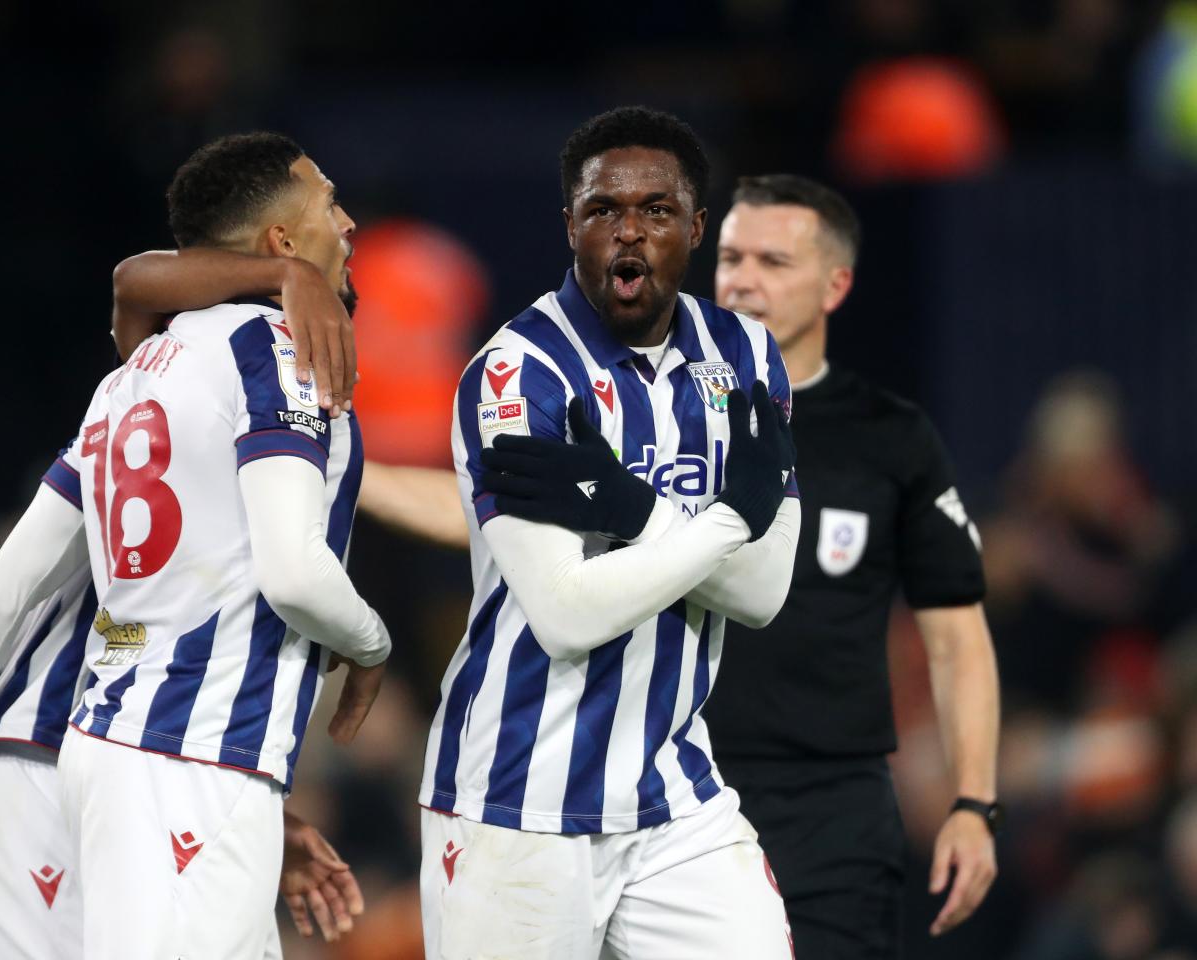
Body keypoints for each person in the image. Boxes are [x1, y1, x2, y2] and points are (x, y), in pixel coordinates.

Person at [417, 106, 801, 959]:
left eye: (656, 211)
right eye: (603, 211)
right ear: (571, 226)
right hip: (517, 800)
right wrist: (726, 521)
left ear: (696, 228)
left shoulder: (746, 357)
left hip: (674, 797)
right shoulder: (518, 374)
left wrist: (627, 509)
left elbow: (765, 594)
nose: (628, 233)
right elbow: (567, 614)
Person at [56, 132, 389, 960]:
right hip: (191, 756)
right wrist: (370, 643)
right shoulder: (271, 355)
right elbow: (294, 574)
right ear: (280, 240)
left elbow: (132, 281)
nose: (347, 223)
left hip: (132, 744)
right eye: (328, 203)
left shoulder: (136, 373)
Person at [703, 174, 1001, 955]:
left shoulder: (891, 438)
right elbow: (513, 521)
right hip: (675, 786)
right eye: (731, 255)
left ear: (836, 285)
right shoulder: (652, 414)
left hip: (831, 808)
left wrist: (975, 803)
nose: (742, 279)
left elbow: (956, 636)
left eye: (773, 260)